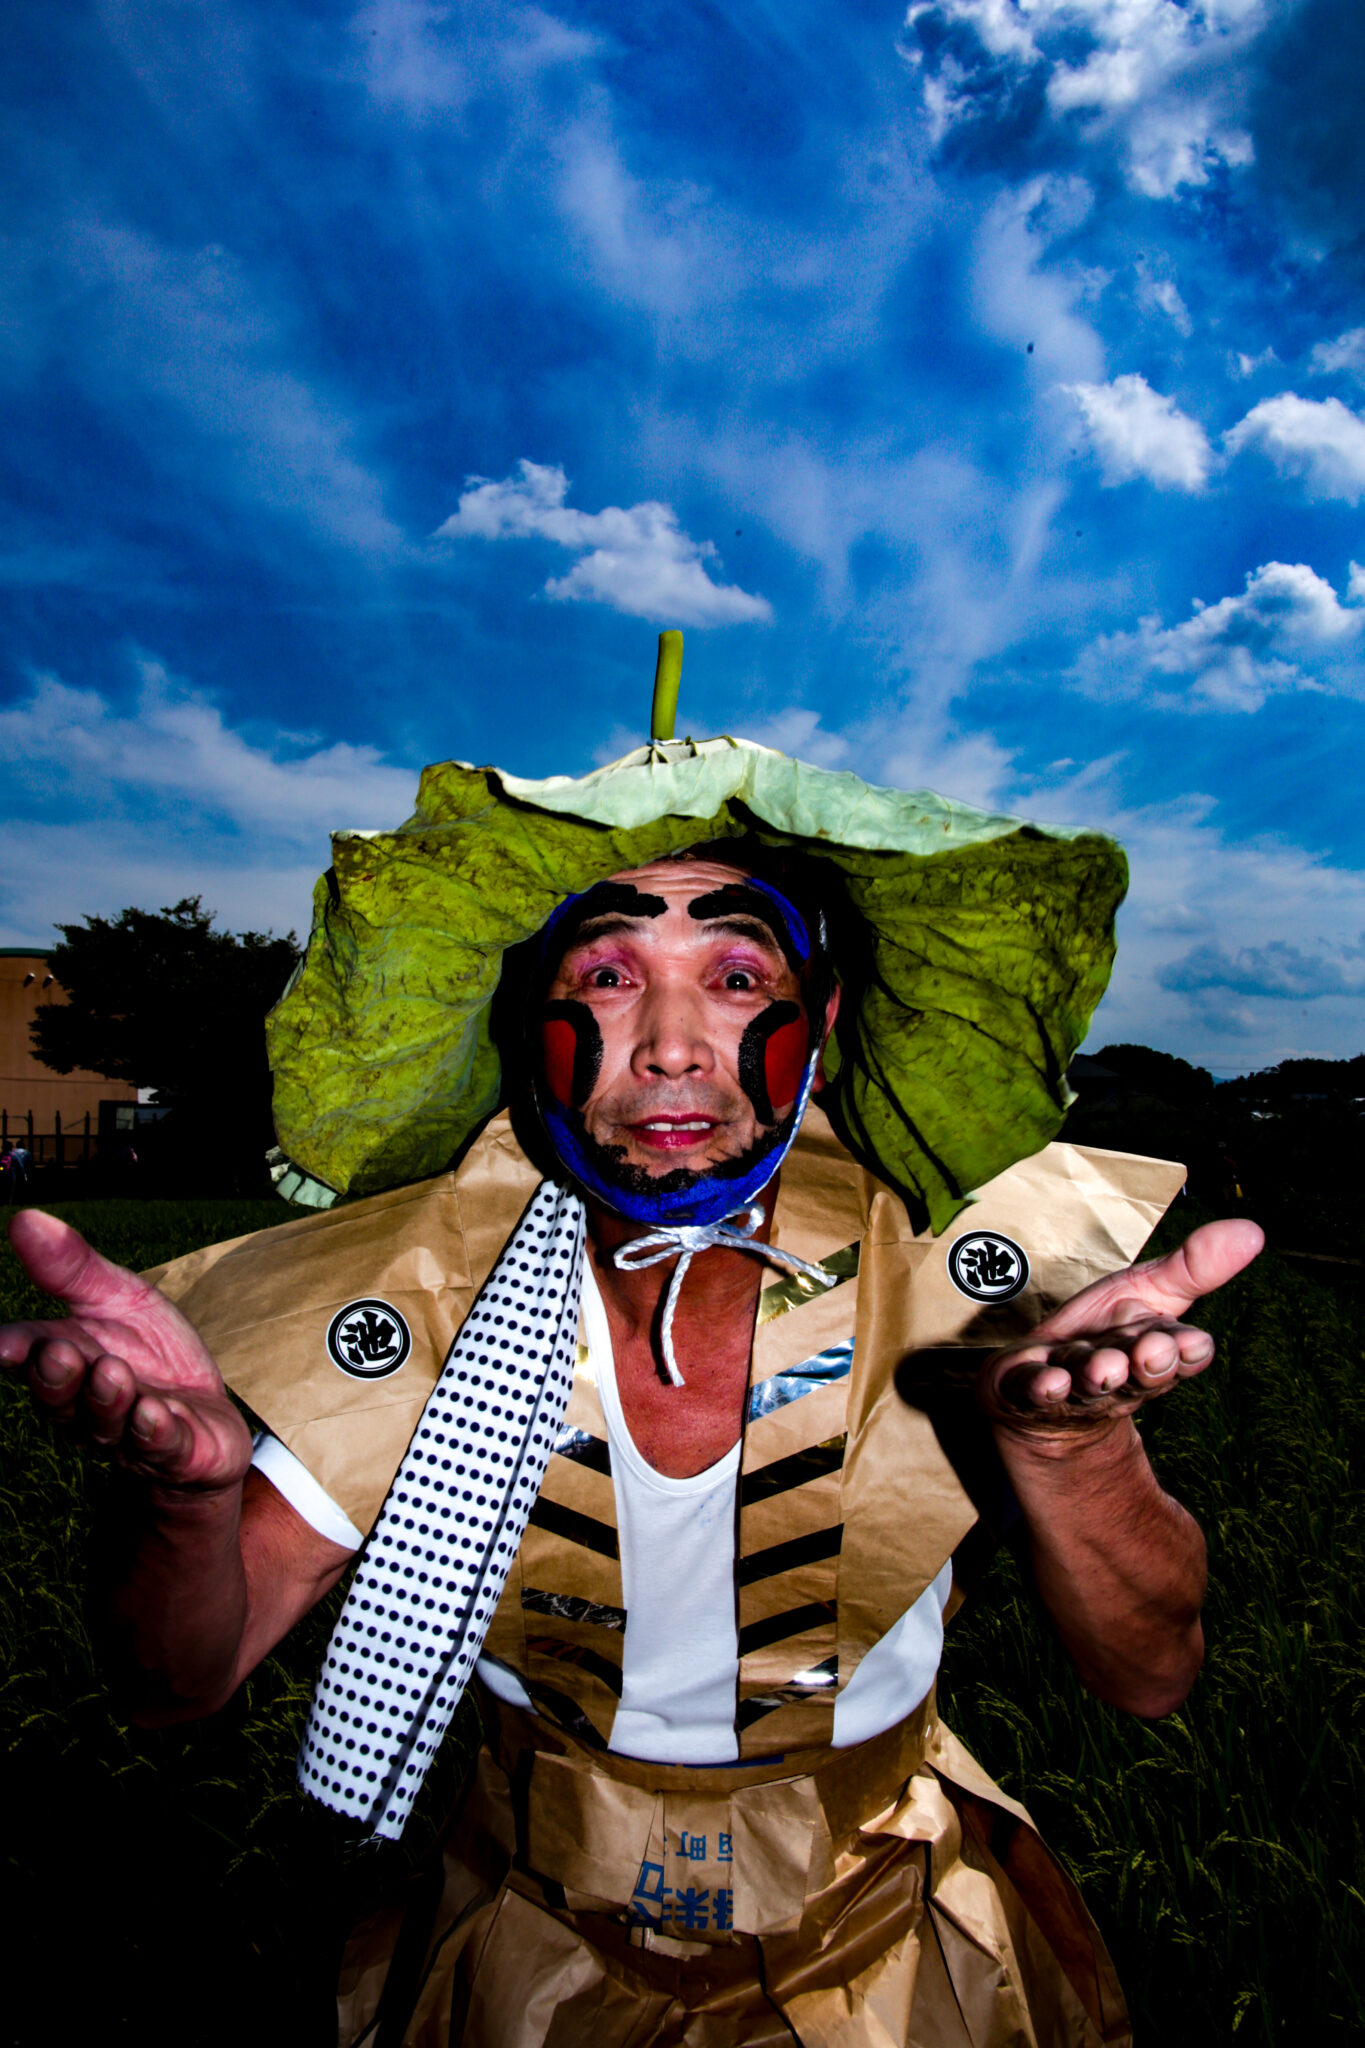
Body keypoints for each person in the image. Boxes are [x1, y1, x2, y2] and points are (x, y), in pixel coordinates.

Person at [0, 700, 1261, 2048]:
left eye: (736, 978)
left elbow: (1151, 1675)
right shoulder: (433, 1293)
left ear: (822, 1015)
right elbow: (174, 1684)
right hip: (517, 1969)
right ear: (524, 1016)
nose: (671, 1043)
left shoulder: (949, 1280)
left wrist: (1075, 1450)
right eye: (607, 975)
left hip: (893, 1958)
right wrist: (188, 1500)